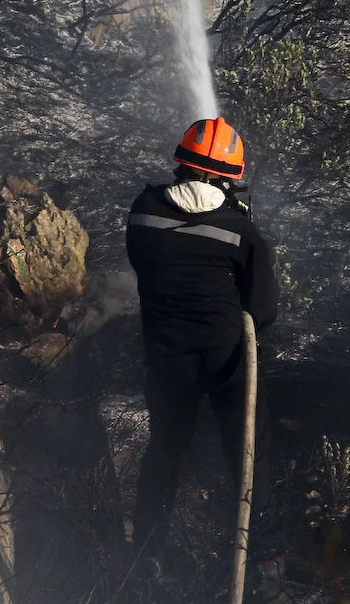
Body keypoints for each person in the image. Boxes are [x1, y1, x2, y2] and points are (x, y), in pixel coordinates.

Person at [126, 116, 280, 578]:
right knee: (249, 451)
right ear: (229, 177)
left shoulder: (143, 209)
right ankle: (263, 558)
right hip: (227, 359)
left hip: (166, 356)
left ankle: (145, 557)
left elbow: (142, 262)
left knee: (165, 451)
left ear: (181, 164)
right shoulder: (240, 230)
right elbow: (263, 309)